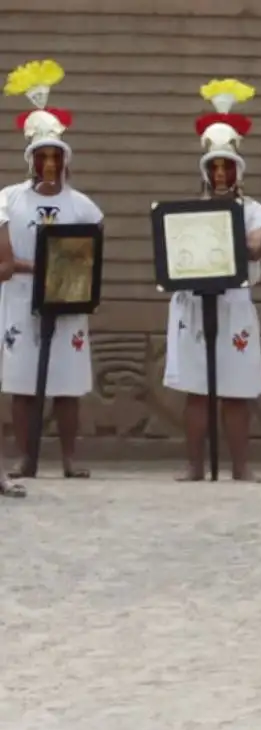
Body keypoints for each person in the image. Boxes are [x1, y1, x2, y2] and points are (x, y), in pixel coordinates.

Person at [166, 79, 261, 483]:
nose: (220, 173)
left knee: (237, 389)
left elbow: (256, 246)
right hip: (195, 305)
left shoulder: (254, 211)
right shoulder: (187, 213)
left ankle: (241, 467)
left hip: (234, 305)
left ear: (237, 169)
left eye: (226, 166)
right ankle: (195, 465)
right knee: (197, 389)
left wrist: (224, 228)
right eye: (213, 167)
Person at [1, 59, 102, 482]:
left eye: (54, 156)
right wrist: (39, 264)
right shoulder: (8, 200)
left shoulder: (83, 206)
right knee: (24, 385)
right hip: (23, 301)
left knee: (67, 385)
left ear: (64, 160)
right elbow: (3, 263)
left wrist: (68, 272)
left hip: (68, 300)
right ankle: (26, 457)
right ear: (31, 159)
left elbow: (92, 253)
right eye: (41, 156)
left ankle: (69, 458)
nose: (48, 164)